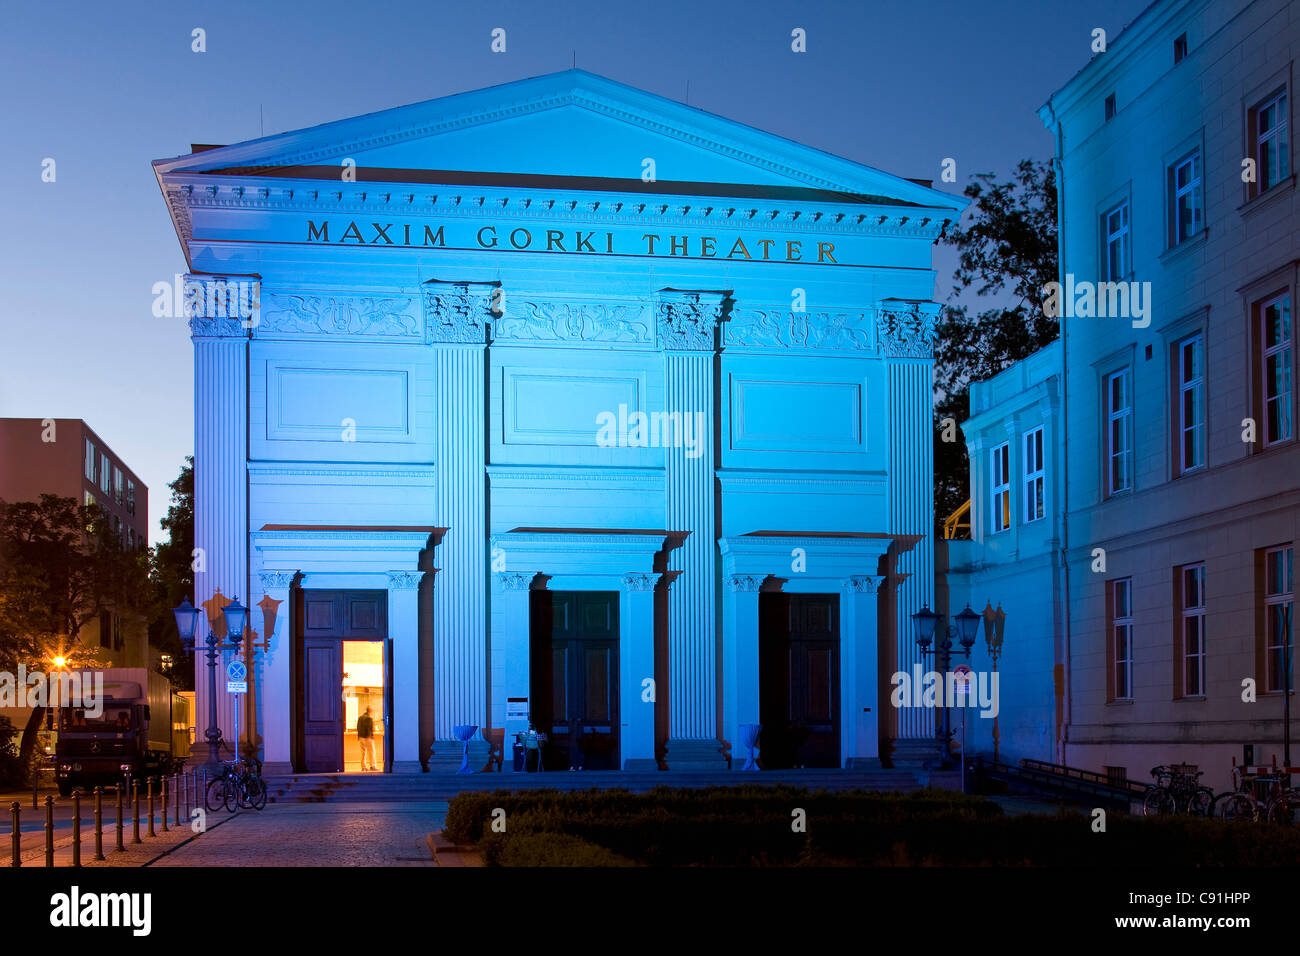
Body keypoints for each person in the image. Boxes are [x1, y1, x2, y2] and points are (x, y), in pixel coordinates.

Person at [357, 707, 377, 771]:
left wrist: (359, 736)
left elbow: (358, 727)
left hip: (361, 737)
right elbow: (369, 728)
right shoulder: (369, 718)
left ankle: (363, 767)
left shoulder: (360, 718)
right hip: (368, 737)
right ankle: (372, 766)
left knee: (363, 752)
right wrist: (371, 736)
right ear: (370, 711)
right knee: (371, 752)